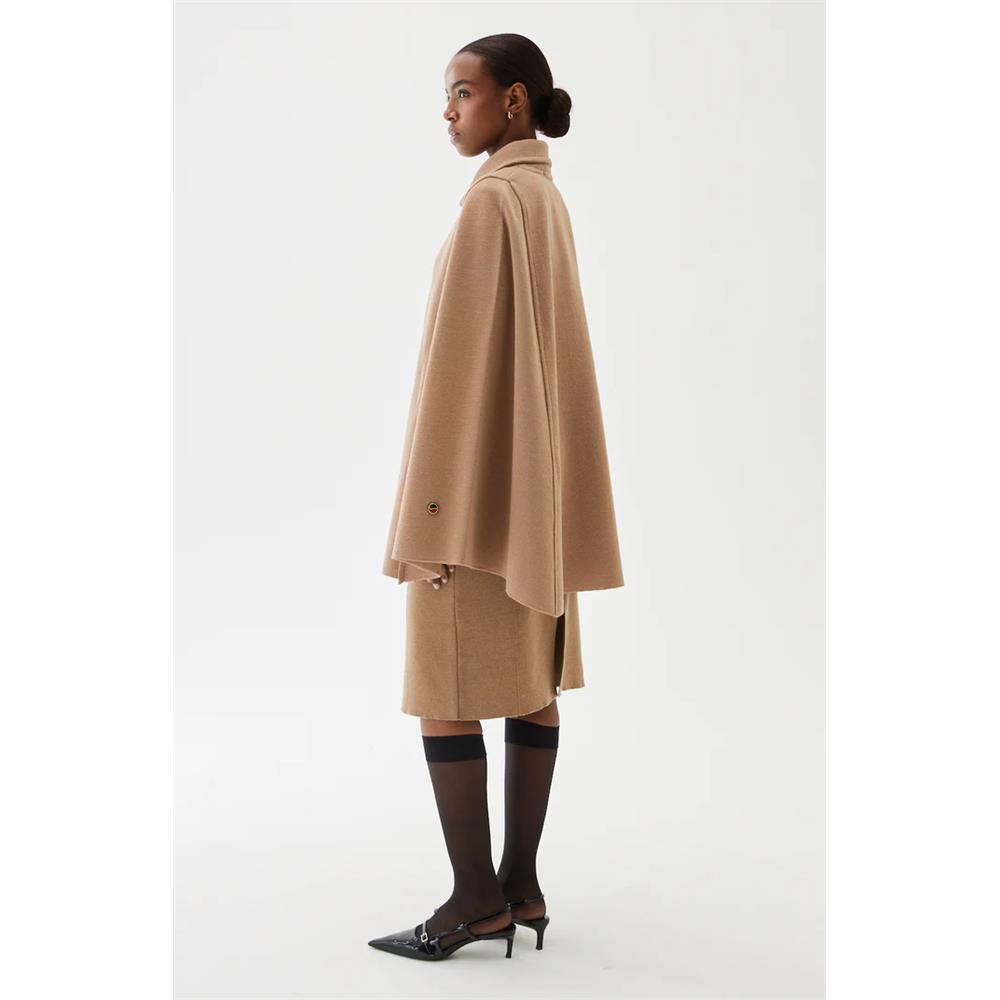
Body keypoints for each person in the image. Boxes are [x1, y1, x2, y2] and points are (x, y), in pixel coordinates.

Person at [369, 33, 624, 962]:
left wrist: (426, 523)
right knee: (530, 686)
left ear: (513, 100)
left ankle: (473, 900)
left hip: (472, 511)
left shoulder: (491, 202)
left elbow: (456, 376)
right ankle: (519, 884)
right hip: (533, 506)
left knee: (443, 692)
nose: (448, 110)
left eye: (463, 92)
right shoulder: (542, 196)